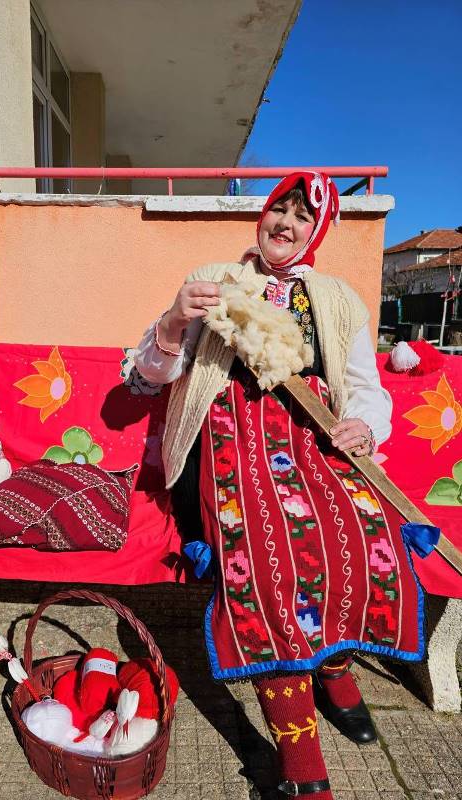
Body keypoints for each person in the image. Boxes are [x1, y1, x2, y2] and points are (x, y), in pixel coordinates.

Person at [133, 171, 424, 799]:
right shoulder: (216, 279)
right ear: (261, 216)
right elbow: (149, 375)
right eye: (278, 210)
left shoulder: (338, 298)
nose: (285, 225)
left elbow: (365, 389)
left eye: (301, 217)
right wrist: (173, 321)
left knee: (364, 542)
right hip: (228, 446)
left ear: (315, 232)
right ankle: (300, 754)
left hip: (312, 443)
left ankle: (335, 667)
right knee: (267, 564)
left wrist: (363, 426)